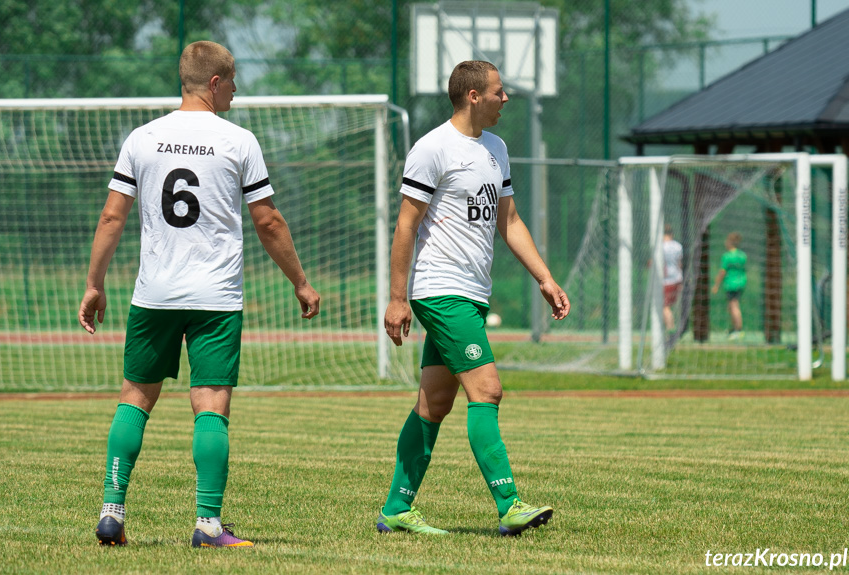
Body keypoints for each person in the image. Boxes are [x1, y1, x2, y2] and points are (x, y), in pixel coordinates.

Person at [78, 40, 320, 548]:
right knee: (210, 405)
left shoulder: (142, 138)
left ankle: (111, 513)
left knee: (135, 400)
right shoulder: (238, 141)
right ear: (214, 83)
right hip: (215, 298)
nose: (236, 90)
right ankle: (208, 525)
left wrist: (94, 284)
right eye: (232, 82)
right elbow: (268, 220)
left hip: (155, 295)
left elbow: (111, 216)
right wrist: (299, 280)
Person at [379, 60, 570, 537]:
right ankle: (510, 505)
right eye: (499, 93)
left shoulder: (496, 148)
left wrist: (544, 278)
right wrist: (397, 298)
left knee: (435, 402)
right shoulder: (432, 148)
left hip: (471, 292)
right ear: (472, 96)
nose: (506, 100)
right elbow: (405, 224)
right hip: (440, 290)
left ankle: (395, 510)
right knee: (487, 390)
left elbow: (508, 220)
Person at [711, 231, 746, 340]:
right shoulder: (742, 255)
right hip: (741, 283)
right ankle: (734, 328)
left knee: (734, 306)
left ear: (730, 242)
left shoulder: (727, 256)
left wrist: (716, 285)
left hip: (731, 284)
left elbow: (722, 272)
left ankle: (738, 330)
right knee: (731, 306)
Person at [662, 224, 683, 332]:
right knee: (675, 305)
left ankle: (670, 328)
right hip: (677, 278)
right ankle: (678, 326)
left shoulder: (660, 246)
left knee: (665, 306)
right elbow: (680, 263)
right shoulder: (678, 246)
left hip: (666, 280)